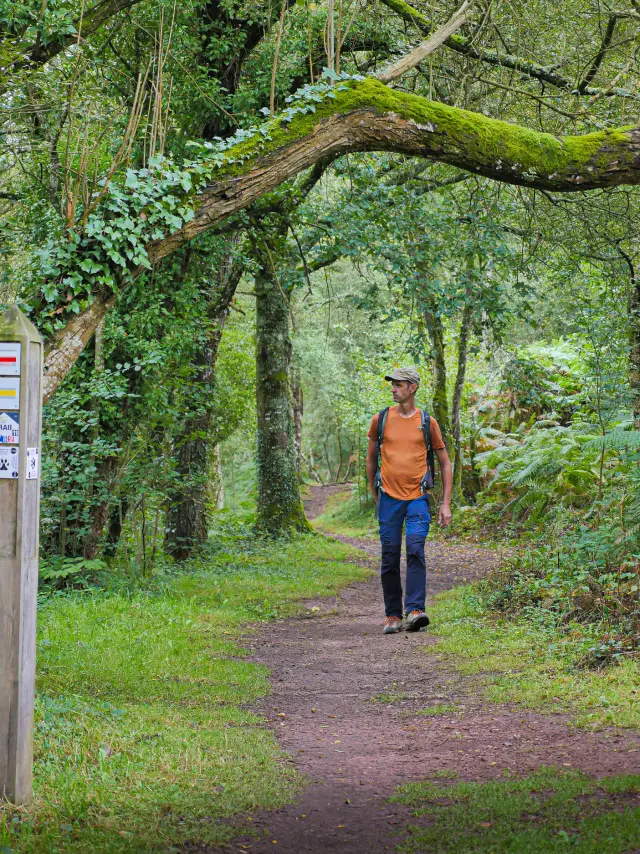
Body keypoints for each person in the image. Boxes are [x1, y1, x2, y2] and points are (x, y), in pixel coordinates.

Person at [366, 368, 453, 634]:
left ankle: (415, 610)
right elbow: (370, 459)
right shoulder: (380, 420)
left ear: (412, 387)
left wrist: (445, 502)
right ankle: (393, 615)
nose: (393, 389)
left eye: (398, 384)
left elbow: (445, 462)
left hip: (418, 497)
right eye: (392, 385)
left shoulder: (428, 422)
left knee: (415, 548)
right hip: (389, 499)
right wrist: (375, 494)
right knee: (390, 556)